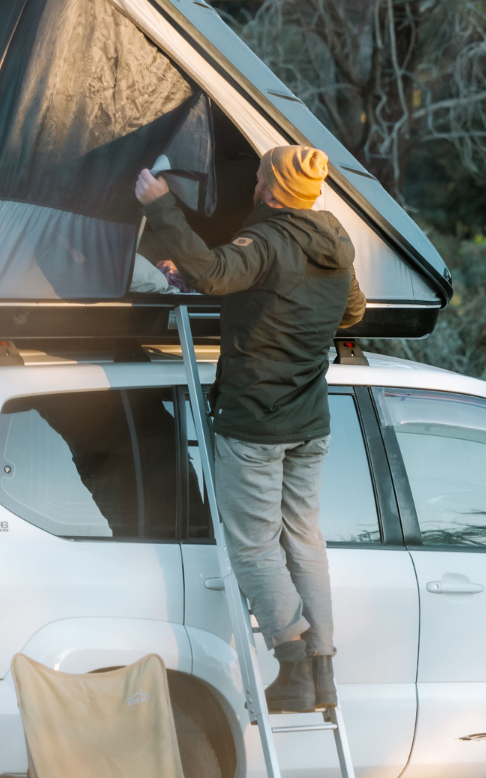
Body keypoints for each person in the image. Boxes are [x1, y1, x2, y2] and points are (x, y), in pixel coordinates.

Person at [134, 145, 365, 714]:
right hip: (311, 421)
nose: (254, 181)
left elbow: (212, 274)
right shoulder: (335, 241)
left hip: (255, 423)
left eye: (261, 175)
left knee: (255, 544)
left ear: (276, 188)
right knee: (305, 541)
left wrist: (162, 208)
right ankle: (323, 671)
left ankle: (291, 664)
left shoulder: (264, 245)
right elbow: (353, 314)